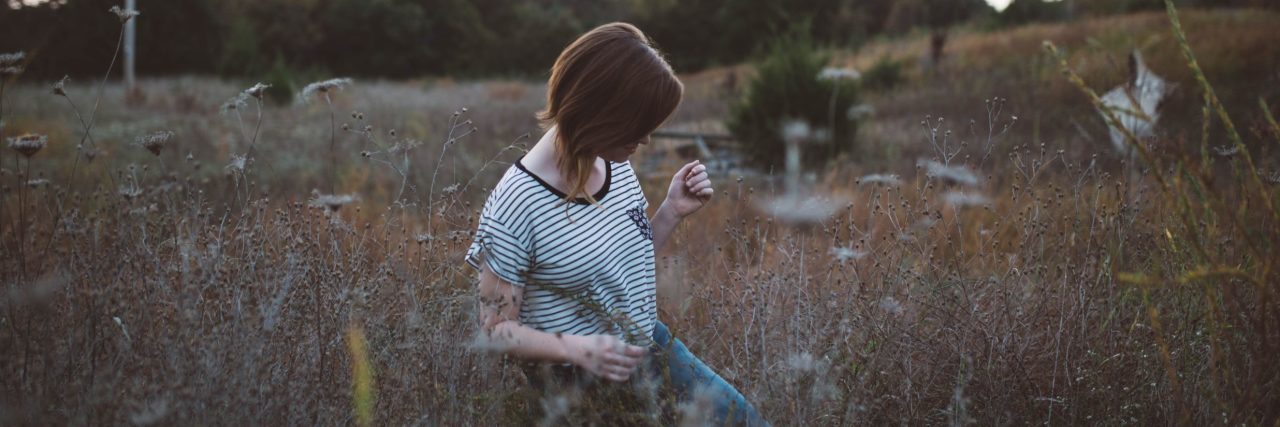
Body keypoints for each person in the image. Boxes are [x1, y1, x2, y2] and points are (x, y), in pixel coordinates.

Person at [465, 22, 767, 426]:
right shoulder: (515, 205)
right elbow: (495, 330)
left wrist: (671, 211)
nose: (644, 140)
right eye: (637, 125)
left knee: (743, 420)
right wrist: (577, 349)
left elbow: (624, 265)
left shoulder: (611, 162)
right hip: (577, 385)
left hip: (650, 345)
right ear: (599, 111)